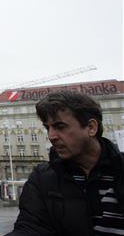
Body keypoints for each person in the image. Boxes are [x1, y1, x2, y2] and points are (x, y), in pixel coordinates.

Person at [7, 90, 124, 236]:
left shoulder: (119, 171)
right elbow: (30, 229)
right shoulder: (42, 179)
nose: (51, 136)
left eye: (60, 127)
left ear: (91, 127)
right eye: (47, 128)